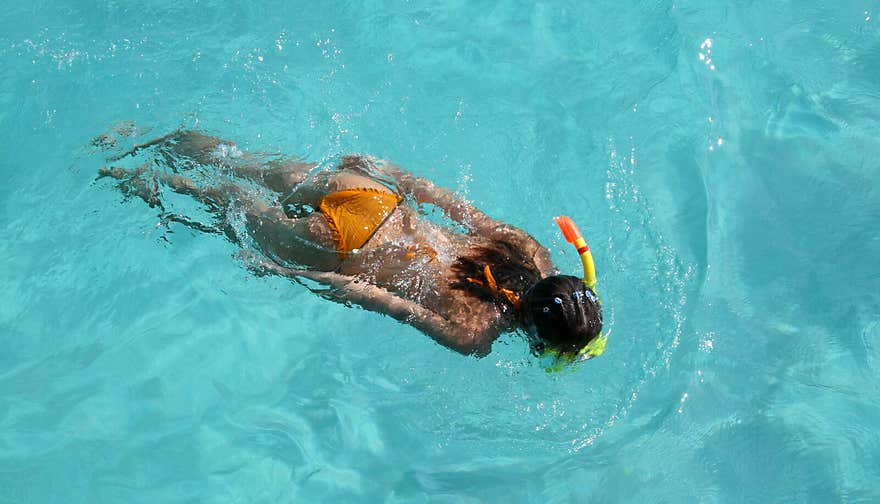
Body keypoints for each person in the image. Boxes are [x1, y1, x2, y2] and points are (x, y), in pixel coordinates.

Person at [98, 129, 605, 361]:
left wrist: (388, 170)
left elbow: (452, 205)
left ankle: (142, 137)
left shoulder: (533, 251)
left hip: (374, 199)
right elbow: (374, 296)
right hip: (340, 247)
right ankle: (135, 176)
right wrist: (290, 274)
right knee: (224, 202)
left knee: (240, 162)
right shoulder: (472, 334)